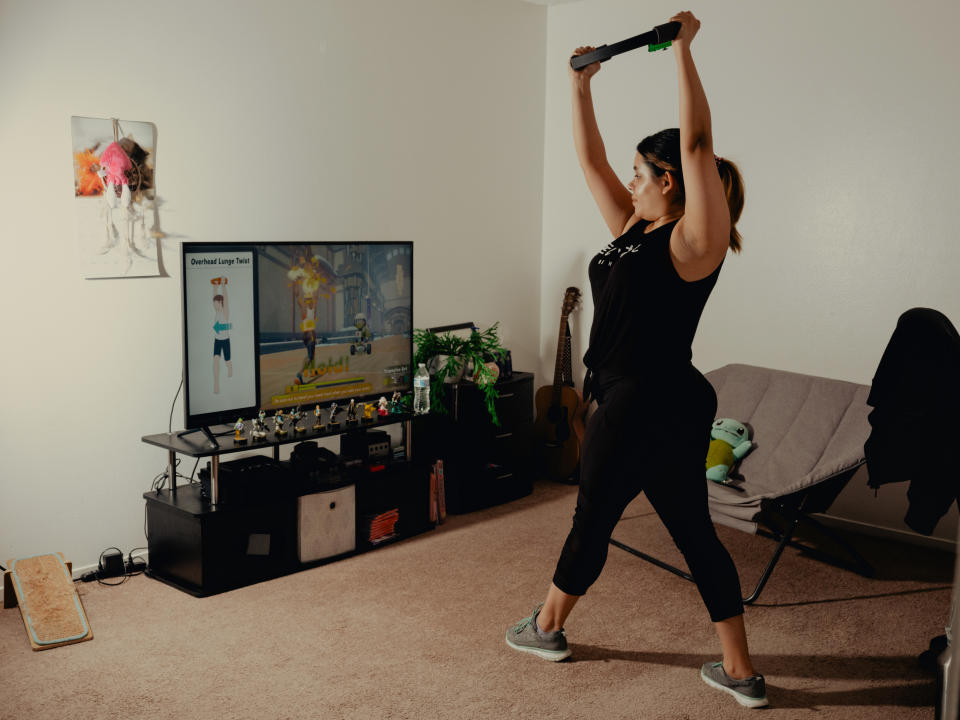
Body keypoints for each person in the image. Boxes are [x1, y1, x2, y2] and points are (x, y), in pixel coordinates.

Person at [505, 12, 766, 709]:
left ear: (672, 182)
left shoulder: (693, 242)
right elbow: (589, 163)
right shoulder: (632, 231)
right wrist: (579, 85)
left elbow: (699, 143)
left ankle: (547, 626)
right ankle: (739, 672)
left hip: (641, 399)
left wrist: (682, 52)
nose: (628, 183)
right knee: (693, 532)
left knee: (592, 517)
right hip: (661, 400)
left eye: (641, 175)